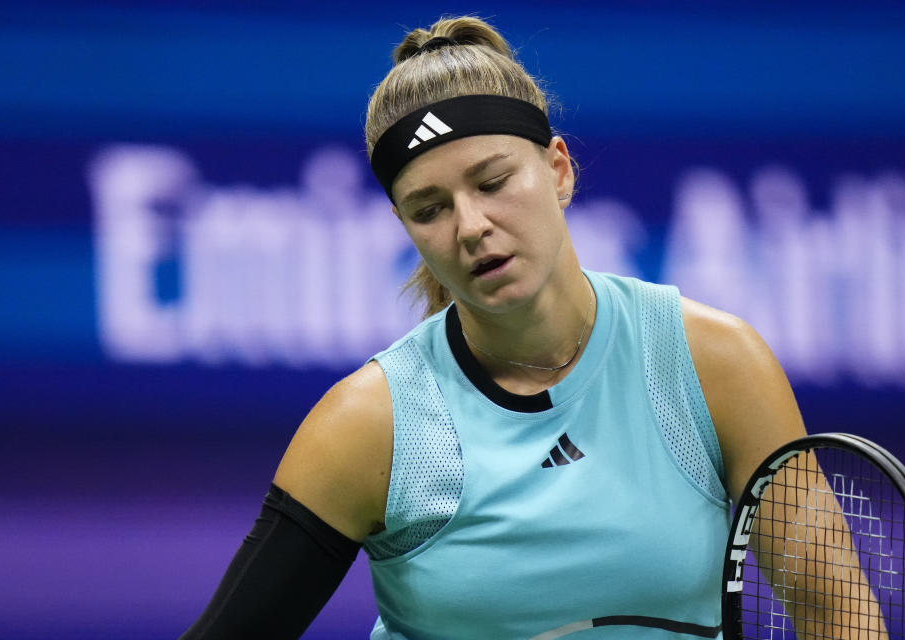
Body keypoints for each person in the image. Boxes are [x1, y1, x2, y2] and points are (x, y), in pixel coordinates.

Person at [180, 16, 809, 640]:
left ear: (559, 170)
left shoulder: (712, 363)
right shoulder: (372, 424)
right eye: (430, 209)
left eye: (493, 182)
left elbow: (840, 615)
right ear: (406, 229)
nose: (471, 225)